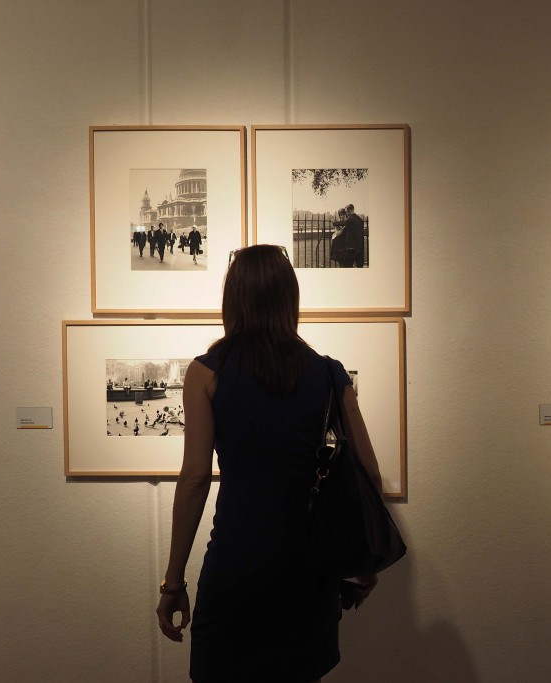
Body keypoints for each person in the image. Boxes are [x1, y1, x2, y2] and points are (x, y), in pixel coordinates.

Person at [155, 245, 384, 681]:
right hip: (308, 570)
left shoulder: (207, 373)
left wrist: (173, 582)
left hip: (236, 564)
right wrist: (367, 560)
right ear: (288, 300)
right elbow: (368, 472)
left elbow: (196, 478)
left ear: (233, 300)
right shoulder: (329, 373)